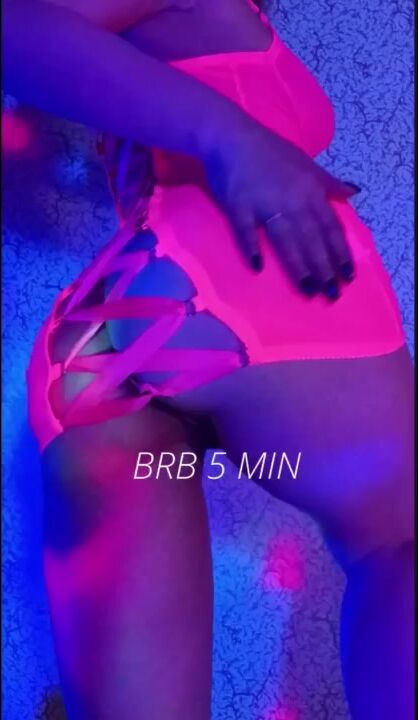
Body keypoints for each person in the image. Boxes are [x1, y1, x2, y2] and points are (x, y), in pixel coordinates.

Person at [3, 1, 414, 718]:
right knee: (400, 543)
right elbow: (12, 30)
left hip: (111, 354)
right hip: (225, 309)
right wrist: (232, 139)